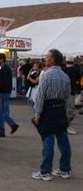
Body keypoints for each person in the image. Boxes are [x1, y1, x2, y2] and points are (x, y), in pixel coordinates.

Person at [31, 49, 72, 181]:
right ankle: (65, 169)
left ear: (53, 59)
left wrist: (37, 114)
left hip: (48, 110)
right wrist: (67, 114)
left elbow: (40, 97)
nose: (45, 58)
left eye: (47, 57)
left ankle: (45, 171)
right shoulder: (65, 77)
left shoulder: (47, 75)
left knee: (48, 140)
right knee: (63, 140)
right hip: (60, 110)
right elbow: (68, 98)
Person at [0, 53, 19, 137]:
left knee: (0, 111)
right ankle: (5, 128)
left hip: (2, 92)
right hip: (5, 92)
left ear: (2, 59)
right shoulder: (4, 68)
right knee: (2, 111)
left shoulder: (4, 68)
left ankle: (4, 128)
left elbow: (2, 81)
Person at [62, 56, 81, 135]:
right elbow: (78, 77)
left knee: (64, 108)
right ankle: (67, 126)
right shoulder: (74, 69)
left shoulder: (63, 69)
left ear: (66, 62)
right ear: (73, 62)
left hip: (63, 92)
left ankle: (63, 125)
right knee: (70, 109)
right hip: (71, 91)